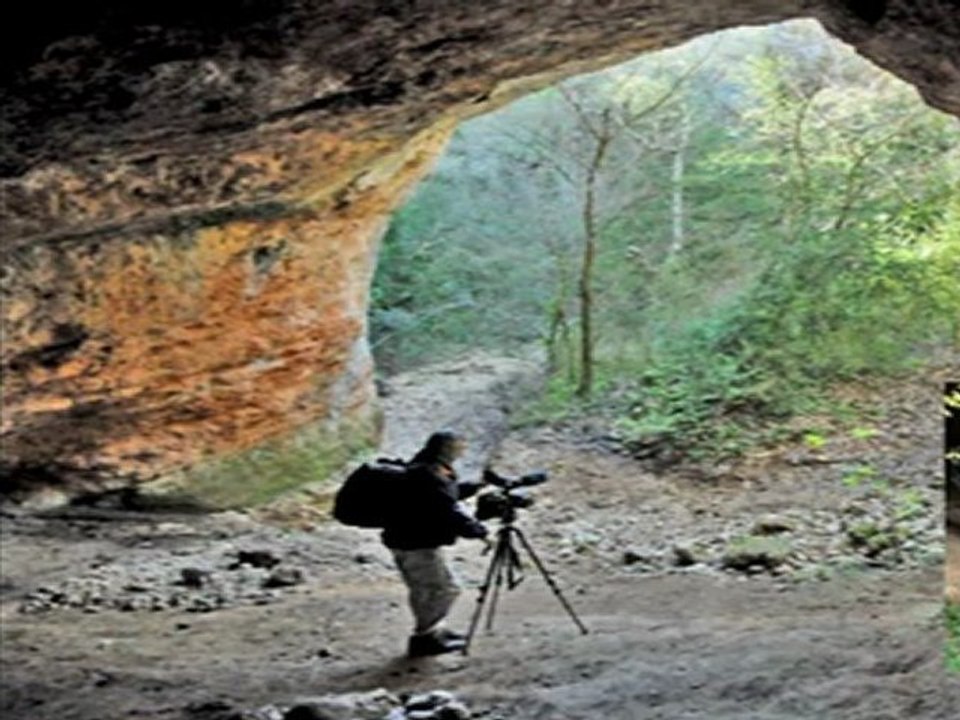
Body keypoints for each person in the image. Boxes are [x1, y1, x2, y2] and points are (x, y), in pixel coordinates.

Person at [382, 430, 488, 657]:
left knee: (432, 588)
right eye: (458, 447)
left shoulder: (424, 467)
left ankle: (435, 631)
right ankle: (424, 638)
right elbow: (444, 507)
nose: (461, 452)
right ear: (445, 449)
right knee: (439, 589)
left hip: (411, 540)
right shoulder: (428, 474)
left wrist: (475, 487)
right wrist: (477, 531)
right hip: (414, 544)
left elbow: (442, 495)